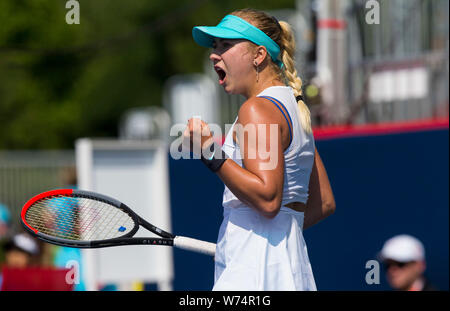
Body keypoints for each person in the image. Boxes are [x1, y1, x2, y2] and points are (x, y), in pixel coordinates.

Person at [184, 8, 335, 290]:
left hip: (257, 272)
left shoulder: (257, 109)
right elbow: (323, 203)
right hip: (290, 265)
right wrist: (270, 237)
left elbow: (267, 200)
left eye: (226, 45)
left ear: (259, 55)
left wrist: (208, 151)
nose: (214, 54)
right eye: (215, 46)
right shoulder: (295, 106)